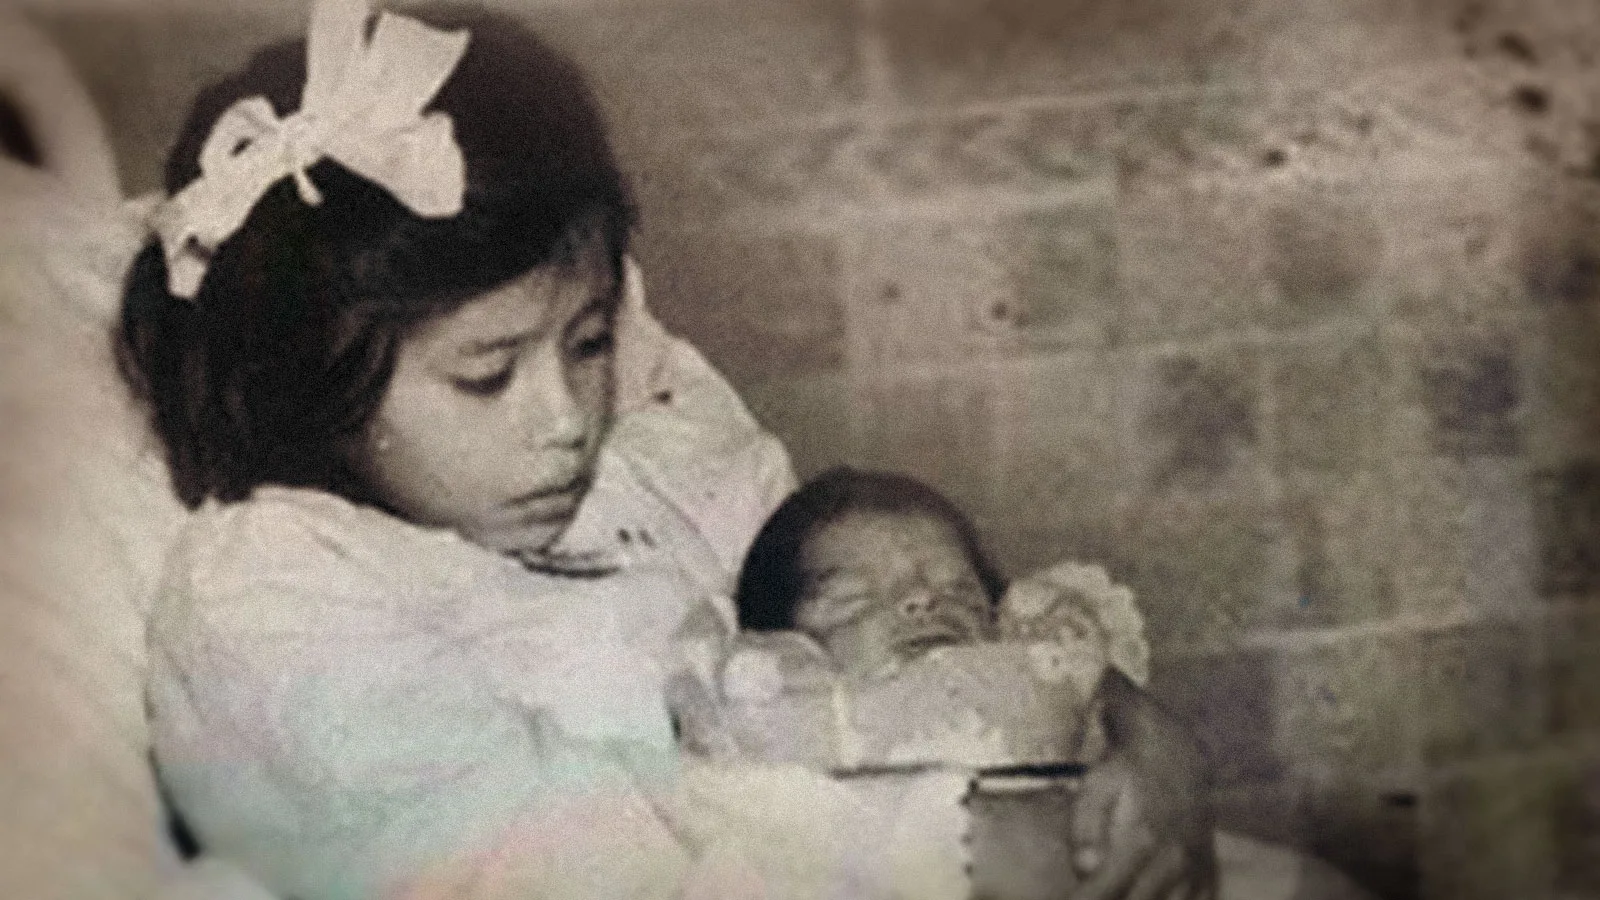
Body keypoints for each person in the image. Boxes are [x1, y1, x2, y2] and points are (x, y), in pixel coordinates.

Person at [117, 1, 1216, 897]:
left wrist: (1137, 733)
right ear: (314, 385)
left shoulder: (656, 462)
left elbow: (902, 623)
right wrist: (973, 854)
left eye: (588, 341)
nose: (566, 418)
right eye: (485, 376)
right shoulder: (280, 599)